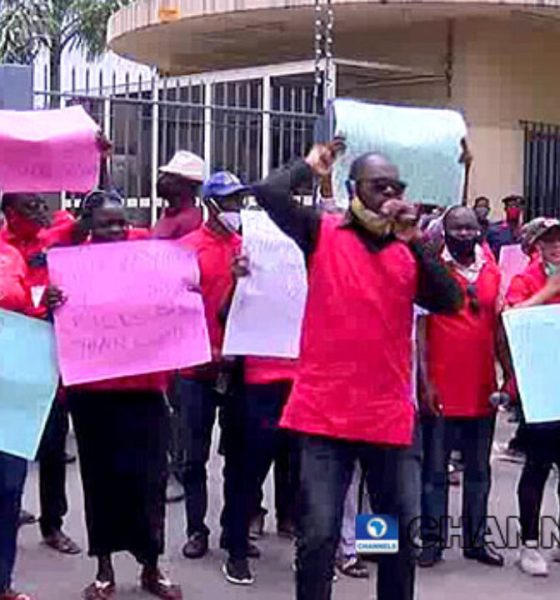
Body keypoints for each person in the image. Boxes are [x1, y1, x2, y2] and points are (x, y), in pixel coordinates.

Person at [252, 140, 463, 600]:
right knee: (319, 534)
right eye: (377, 185)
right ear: (353, 189)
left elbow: (450, 301)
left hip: (386, 418)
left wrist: (416, 241)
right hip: (324, 415)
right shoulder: (321, 231)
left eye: (395, 187)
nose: (388, 194)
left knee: (389, 536)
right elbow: (267, 192)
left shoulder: (408, 249)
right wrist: (310, 166)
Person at [56, 190, 181, 600]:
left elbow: (177, 286)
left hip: (144, 389)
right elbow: (44, 281)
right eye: (106, 223)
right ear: (89, 225)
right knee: (101, 481)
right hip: (93, 392)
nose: (116, 229)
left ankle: (151, 567)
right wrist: (51, 300)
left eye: (121, 222)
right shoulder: (71, 261)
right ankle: (104, 568)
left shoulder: (146, 253)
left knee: (150, 481)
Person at [178, 171, 260, 584]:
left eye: (239, 202)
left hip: (238, 367)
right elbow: (176, 309)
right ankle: (196, 529)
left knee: (239, 456)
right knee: (193, 455)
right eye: (228, 202)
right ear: (209, 205)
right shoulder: (187, 249)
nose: (235, 209)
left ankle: (234, 529)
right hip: (194, 368)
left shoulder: (249, 248)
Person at [417, 207, 504, 569]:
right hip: (441, 388)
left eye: (470, 228)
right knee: (435, 472)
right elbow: (420, 332)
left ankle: (476, 541)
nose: (465, 234)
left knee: (479, 472)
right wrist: (425, 383)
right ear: (445, 232)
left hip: (483, 388)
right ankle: (432, 541)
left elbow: (499, 328)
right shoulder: (432, 271)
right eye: (457, 228)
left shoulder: (493, 271)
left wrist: (508, 378)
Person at [0, 193, 81, 556]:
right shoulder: (4, 252)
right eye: (30, 207)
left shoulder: (54, 238)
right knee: (9, 450)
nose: (40, 212)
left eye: (41, 205)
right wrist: (38, 300)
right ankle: (10, 510)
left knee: (52, 448)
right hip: (10, 364)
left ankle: (53, 524)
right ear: (10, 213)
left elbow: (88, 226)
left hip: (49, 361)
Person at [505, 218, 560, 577]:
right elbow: (511, 318)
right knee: (537, 467)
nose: (557, 247)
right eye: (549, 241)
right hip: (539, 390)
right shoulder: (525, 280)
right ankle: (528, 545)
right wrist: (549, 290)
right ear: (537, 246)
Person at [0, 243, 36, 600]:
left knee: (9, 489)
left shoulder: (11, 256)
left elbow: (28, 311)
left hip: (10, 392)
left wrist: (47, 305)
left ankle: (2, 583)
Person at [152, 151, 205, 240]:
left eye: (173, 178)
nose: (165, 181)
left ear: (191, 186)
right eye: (166, 175)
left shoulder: (187, 219)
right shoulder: (171, 213)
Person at [487, 195, 524, 260]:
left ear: (521, 209)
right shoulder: (495, 230)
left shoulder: (525, 231)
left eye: (516, 206)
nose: (513, 209)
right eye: (510, 206)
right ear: (505, 209)